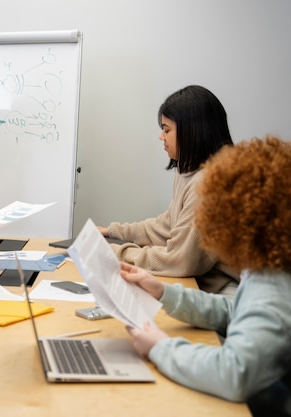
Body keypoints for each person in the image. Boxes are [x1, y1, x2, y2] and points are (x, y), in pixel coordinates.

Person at [121, 136, 291, 416]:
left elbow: (233, 374)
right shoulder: (275, 268)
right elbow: (237, 311)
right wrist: (164, 292)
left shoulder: (272, 291)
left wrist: (161, 347)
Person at [98, 85, 237, 294]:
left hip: (230, 290)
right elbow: (169, 225)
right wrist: (113, 232)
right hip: (204, 281)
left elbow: (180, 261)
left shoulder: (208, 185)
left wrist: (113, 253)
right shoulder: (189, 169)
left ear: (192, 130)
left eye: (166, 130)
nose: (161, 137)